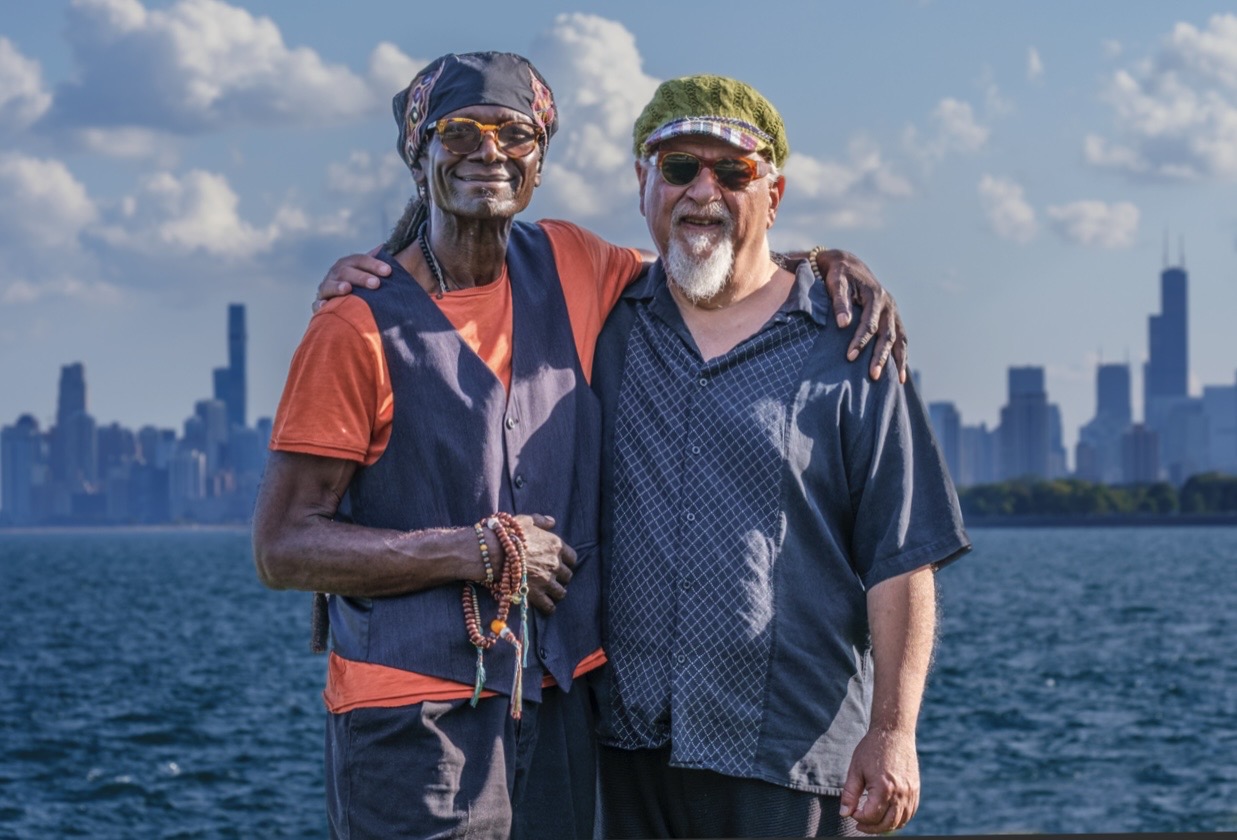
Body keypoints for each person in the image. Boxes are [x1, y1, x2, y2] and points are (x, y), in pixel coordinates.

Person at [255, 53, 905, 840]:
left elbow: (709, 257)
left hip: (557, 705)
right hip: (412, 714)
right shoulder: (354, 325)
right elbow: (283, 546)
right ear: (417, 152)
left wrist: (822, 263)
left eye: (514, 135)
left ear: (539, 160)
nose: (488, 151)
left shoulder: (570, 262)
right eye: (458, 132)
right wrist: (472, 551)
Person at [587, 75, 972, 838]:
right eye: (677, 168)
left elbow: (902, 557)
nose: (704, 191)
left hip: (788, 758)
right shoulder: (600, 323)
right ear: (642, 184)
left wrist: (893, 733)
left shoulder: (852, 344)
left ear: (773, 192)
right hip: (620, 751)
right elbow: (473, 246)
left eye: (732, 173)